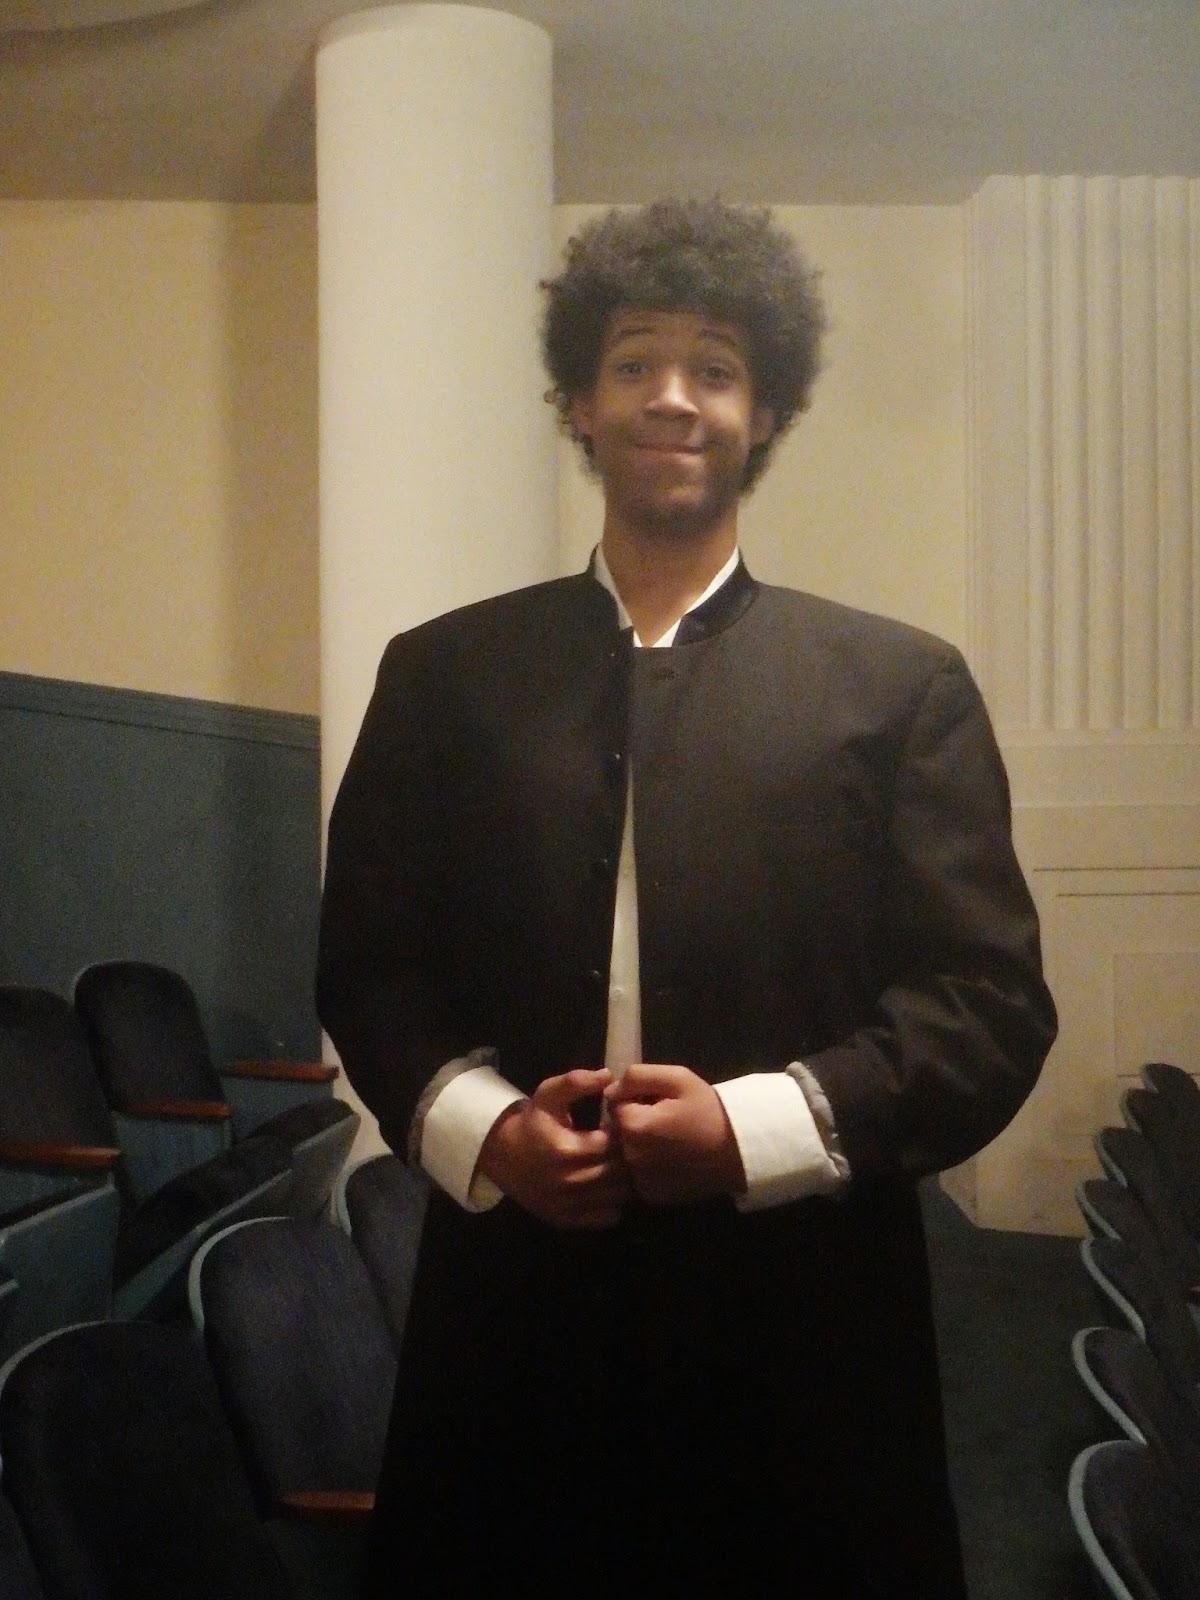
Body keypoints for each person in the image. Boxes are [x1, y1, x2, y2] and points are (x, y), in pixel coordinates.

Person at [316, 198, 1057, 1598]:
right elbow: (370, 967)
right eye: (635, 363)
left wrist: (749, 1129)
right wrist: (490, 1131)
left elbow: (986, 1007)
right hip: (518, 1287)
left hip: (805, 1298)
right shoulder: (444, 674)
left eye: (714, 369)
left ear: (763, 414)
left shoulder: (898, 687)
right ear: (579, 404)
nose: (673, 396)